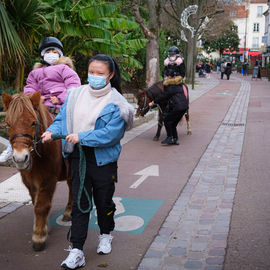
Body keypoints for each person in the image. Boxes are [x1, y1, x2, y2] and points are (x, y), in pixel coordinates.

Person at [41, 54, 134, 269]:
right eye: (91, 72)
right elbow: (62, 120)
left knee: (104, 203)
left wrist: (82, 137)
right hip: (77, 157)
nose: (94, 76)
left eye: (100, 73)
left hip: (103, 161)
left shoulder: (117, 102)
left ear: (110, 75)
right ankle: (76, 250)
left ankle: (105, 233)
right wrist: (50, 131)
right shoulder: (75, 94)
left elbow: (111, 134)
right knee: (80, 205)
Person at [0, 37, 81, 163]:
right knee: (22, 123)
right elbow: (29, 87)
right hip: (41, 106)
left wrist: (60, 98)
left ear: (60, 54)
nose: (51, 54)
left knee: (68, 123)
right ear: (43, 55)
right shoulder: (35, 72)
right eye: (48, 52)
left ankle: (69, 148)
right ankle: (12, 147)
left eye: (55, 52)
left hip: (60, 106)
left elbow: (74, 86)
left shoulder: (65, 69)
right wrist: (34, 98)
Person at [149, 46, 188, 146]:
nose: (171, 57)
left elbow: (182, 74)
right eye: (170, 55)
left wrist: (154, 102)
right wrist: (165, 76)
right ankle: (175, 138)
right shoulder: (167, 63)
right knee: (173, 123)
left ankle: (170, 138)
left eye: (173, 55)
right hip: (179, 99)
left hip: (177, 81)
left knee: (167, 120)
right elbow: (164, 72)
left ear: (177, 55)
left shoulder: (180, 63)